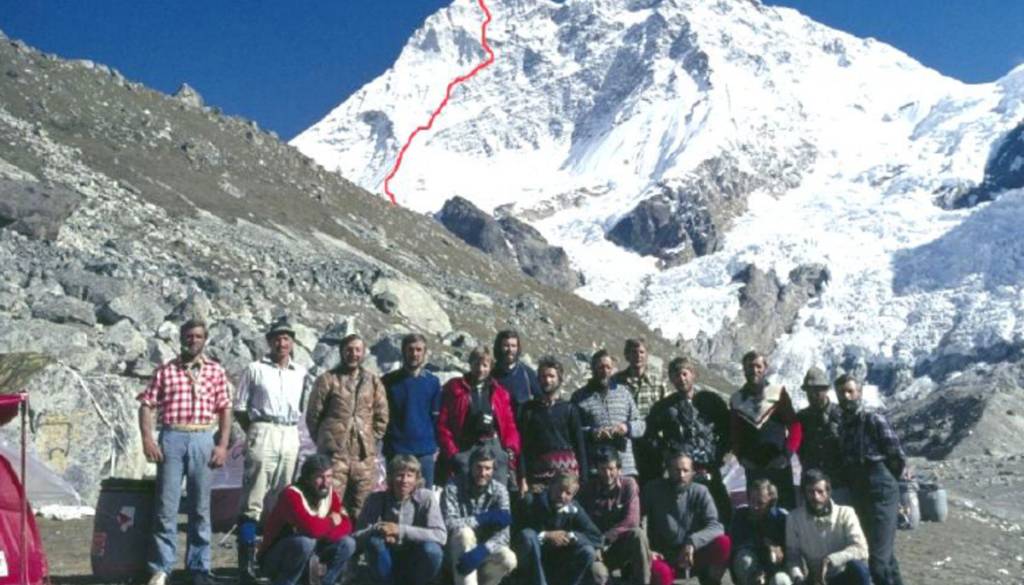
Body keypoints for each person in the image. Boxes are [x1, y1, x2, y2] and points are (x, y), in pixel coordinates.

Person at [137, 319, 232, 585]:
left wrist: (222, 445)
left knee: (200, 507)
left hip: (203, 437)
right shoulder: (166, 371)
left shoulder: (215, 371)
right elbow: (146, 404)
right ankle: (161, 567)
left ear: (205, 339)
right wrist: (148, 439)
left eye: (198, 336)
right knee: (166, 506)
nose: (193, 340)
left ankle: (199, 568)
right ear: (181, 339)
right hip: (173, 436)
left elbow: (225, 408)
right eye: (189, 336)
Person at [234, 317, 308, 585]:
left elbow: (302, 405)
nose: (282, 343)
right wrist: (255, 430)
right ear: (269, 341)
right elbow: (240, 406)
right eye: (277, 338)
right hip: (263, 428)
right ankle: (246, 565)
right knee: (253, 499)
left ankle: (274, 559)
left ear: (293, 343)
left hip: (289, 431)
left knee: (284, 498)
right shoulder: (255, 369)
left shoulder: (300, 372)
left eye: (286, 338)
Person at [306, 333, 389, 518]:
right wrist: (326, 440)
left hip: (363, 457)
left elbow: (382, 416)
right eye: (349, 350)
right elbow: (313, 416)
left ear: (363, 352)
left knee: (363, 507)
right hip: (334, 455)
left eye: (358, 350)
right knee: (330, 504)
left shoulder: (373, 381)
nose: (353, 354)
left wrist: (370, 438)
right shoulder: (328, 380)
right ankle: (330, 536)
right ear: (342, 352)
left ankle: (358, 536)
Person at [835, 375, 906, 585]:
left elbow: (896, 455)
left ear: (859, 393)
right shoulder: (844, 426)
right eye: (841, 393)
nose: (846, 396)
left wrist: (886, 481)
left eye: (850, 391)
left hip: (881, 489)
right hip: (860, 492)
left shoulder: (873, 419)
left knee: (877, 561)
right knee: (883, 553)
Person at [645, 356, 731, 522]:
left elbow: (727, 428)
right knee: (685, 513)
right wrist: (666, 453)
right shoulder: (665, 407)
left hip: (709, 467)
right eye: (676, 375)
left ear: (693, 374)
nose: (681, 379)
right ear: (671, 379)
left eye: (685, 374)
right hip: (681, 471)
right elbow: (650, 433)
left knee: (719, 510)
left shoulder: (711, 401)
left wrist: (720, 453)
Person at [258, 455, 356, 585]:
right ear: (307, 478)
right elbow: (312, 529)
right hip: (277, 557)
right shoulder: (291, 495)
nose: (325, 482)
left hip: (311, 551)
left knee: (348, 543)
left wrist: (321, 529)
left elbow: (346, 526)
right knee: (305, 542)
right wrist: (330, 523)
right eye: (319, 477)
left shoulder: (328, 493)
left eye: (329, 476)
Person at [355, 455, 447, 585]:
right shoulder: (376, 499)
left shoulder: (426, 498)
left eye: (409, 476)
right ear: (391, 477)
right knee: (374, 542)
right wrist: (379, 530)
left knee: (432, 550)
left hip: (415, 558)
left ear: (416, 479)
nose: (404, 480)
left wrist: (400, 530)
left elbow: (440, 535)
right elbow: (357, 535)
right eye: (399, 475)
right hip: (387, 559)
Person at [437, 347, 520, 486]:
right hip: (465, 445)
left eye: (485, 365)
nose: (480, 369)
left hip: (492, 444)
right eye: (477, 364)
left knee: (498, 486)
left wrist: (510, 449)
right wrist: (452, 452)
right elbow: (443, 423)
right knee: (464, 487)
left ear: (491, 367)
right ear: (470, 364)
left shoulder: (499, 392)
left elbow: (509, 424)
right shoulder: (455, 388)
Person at [644, 452, 732, 585]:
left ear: (692, 473)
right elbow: (638, 522)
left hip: (693, 554)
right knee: (660, 572)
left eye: (685, 471)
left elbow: (716, 526)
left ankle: (710, 580)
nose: (681, 475)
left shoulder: (701, 491)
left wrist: (692, 543)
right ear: (668, 471)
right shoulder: (652, 490)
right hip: (663, 554)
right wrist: (646, 549)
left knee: (723, 542)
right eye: (677, 470)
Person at [729, 351, 802, 509]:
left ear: (765, 368)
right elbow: (734, 433)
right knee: (757, 510)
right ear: (744, 369)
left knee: (784, 510)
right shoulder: (736, 399)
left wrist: (786, 455)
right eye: (750, 366)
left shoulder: (778, 393)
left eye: (758, 366)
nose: (754, 370)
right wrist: (741, 457)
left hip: (778, 465)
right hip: (753, 467)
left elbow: (795, 426)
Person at [441, 448, 517, 585]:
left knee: (509, 559)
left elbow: (504, 535)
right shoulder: (453, 486)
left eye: (487, 468)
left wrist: (483, 550)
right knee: (465, 533)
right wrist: (481, 519)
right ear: (470, 466)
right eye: (478, 467)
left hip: (484, 551)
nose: (482, 473)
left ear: (493, 470)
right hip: (457, 551)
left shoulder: (500, 491)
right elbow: (448, 523)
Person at [514, 472, 602, 585]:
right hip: (533, 562)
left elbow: (595, 536)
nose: (562, 495)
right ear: (551, 486)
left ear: (573, 495)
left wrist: (570, 536)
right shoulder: (531, 501)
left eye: (568, 493)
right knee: (528, 535)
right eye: (559, 489)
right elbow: (516, 531)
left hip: (560, 562)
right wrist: (546, 535)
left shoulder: (574, 509)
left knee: (588, 551)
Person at [784, 470, 869, 585]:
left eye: (820, 491)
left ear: (828, 492)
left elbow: (861, 549)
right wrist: (798, 578)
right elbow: (793, 556)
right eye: (810, 492)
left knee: (859, 568)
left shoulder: (846, 513)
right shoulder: (794, 518)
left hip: (843, 574)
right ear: (804, 494)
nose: (816, 497)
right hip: (815, 579)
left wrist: (831, 560)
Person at [517, 356, 587, 494]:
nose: (547, 380)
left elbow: (579, 445)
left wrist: (583, 479)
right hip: (538, 479)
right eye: (543, 376)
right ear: (538, 379)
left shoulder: (569, 409)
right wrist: (522, 478)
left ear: (559, 379)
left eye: (551, 376)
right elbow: (522, 447)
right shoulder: (528, 410)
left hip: (568, 480)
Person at [579, 450, 651, 585]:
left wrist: (607, 537)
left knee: (638, 534)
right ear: (596, 469)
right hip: (596, 550)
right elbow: (583, 524)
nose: (607, 474)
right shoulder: (587, 489)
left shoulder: (628, 485)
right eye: (603, 469)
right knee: (598, 575)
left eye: (611, 469)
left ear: (619, 469)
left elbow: (632, 521)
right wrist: (595, 545)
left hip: (618, 543)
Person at [571, 350, 645, 478]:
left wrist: (626, 427)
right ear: (592, 369)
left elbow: (641, 424)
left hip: (625, 468)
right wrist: (593, 433)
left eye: (608, 367)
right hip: (596, 469)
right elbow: (573, 430)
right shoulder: (579, 397)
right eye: (600, 367)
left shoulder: (624, 393)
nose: (604, 371)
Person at [382, 333, 442, 488]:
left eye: (419, 350)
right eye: (410, 349)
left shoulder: (433, 382)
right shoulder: (388, 382)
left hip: (424, 451)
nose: (414, 354)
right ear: (403, 351)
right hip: (396, 450)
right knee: (395, 497)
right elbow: (381, 416)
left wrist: (435, 445)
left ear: (425, 352)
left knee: (424, 497)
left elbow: (436, 417)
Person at [611, 338, 666, 484]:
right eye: (634, 352)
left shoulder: (657, 381)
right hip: (625, 443)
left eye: (642, 352)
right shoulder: (616, 381)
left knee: (653, 483)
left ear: (647, 355)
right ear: (627, 355)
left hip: (651, 442)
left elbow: (664, 410)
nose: (638, 356)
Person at [795, 367, 846, 503]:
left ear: (826, 390)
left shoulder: (842, 414)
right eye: (809, 391)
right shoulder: (801, 418)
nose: (812, 395)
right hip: (811, 486)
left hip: (839, 483)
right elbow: (799, 449)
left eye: (817, 390)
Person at [731, 479, 789, 585]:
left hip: (777, 568)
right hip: (753, 564)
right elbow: (738, 543)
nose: (755, 506)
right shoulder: (741, 515)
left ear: (771, 501)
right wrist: (765, 544)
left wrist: (778, 550)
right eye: (752, 501)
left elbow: (791, 549)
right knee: (744, 559)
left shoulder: (782, 518)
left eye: (760, 503)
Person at [492, 329, 541, 417]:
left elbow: (541, 401)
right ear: (499, 347)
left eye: (513, 346)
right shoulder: (490, 373)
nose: (510, 349)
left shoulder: (527, 374)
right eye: (506, 345)